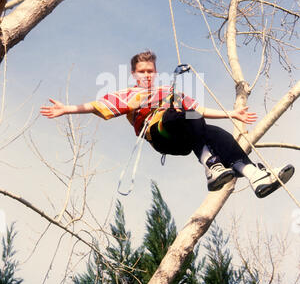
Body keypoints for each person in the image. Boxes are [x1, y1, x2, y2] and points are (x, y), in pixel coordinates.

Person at [40, 50, 295, 198]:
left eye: (151, 70)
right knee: (177, 115)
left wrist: (232, 114)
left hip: (186, 138)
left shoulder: (167, 91)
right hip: (161, 136)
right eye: (142, 71)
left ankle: (254, 176)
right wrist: (67, 109)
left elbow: (200, 110)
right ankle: (211, 165)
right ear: (134, 75)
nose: (147, 75)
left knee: (211, 128)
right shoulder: (128, 95)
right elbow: (97, 107)